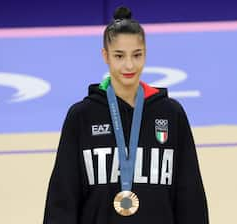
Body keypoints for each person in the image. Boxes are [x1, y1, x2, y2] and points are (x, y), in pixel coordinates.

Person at [43, 6, 209, 224]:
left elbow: (190, 196)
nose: (129, 65)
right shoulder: (82, 116)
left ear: (145, 54)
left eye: (137, 55)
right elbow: (63, 198)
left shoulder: (170, 114)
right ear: (105, 56)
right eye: (119, 56)